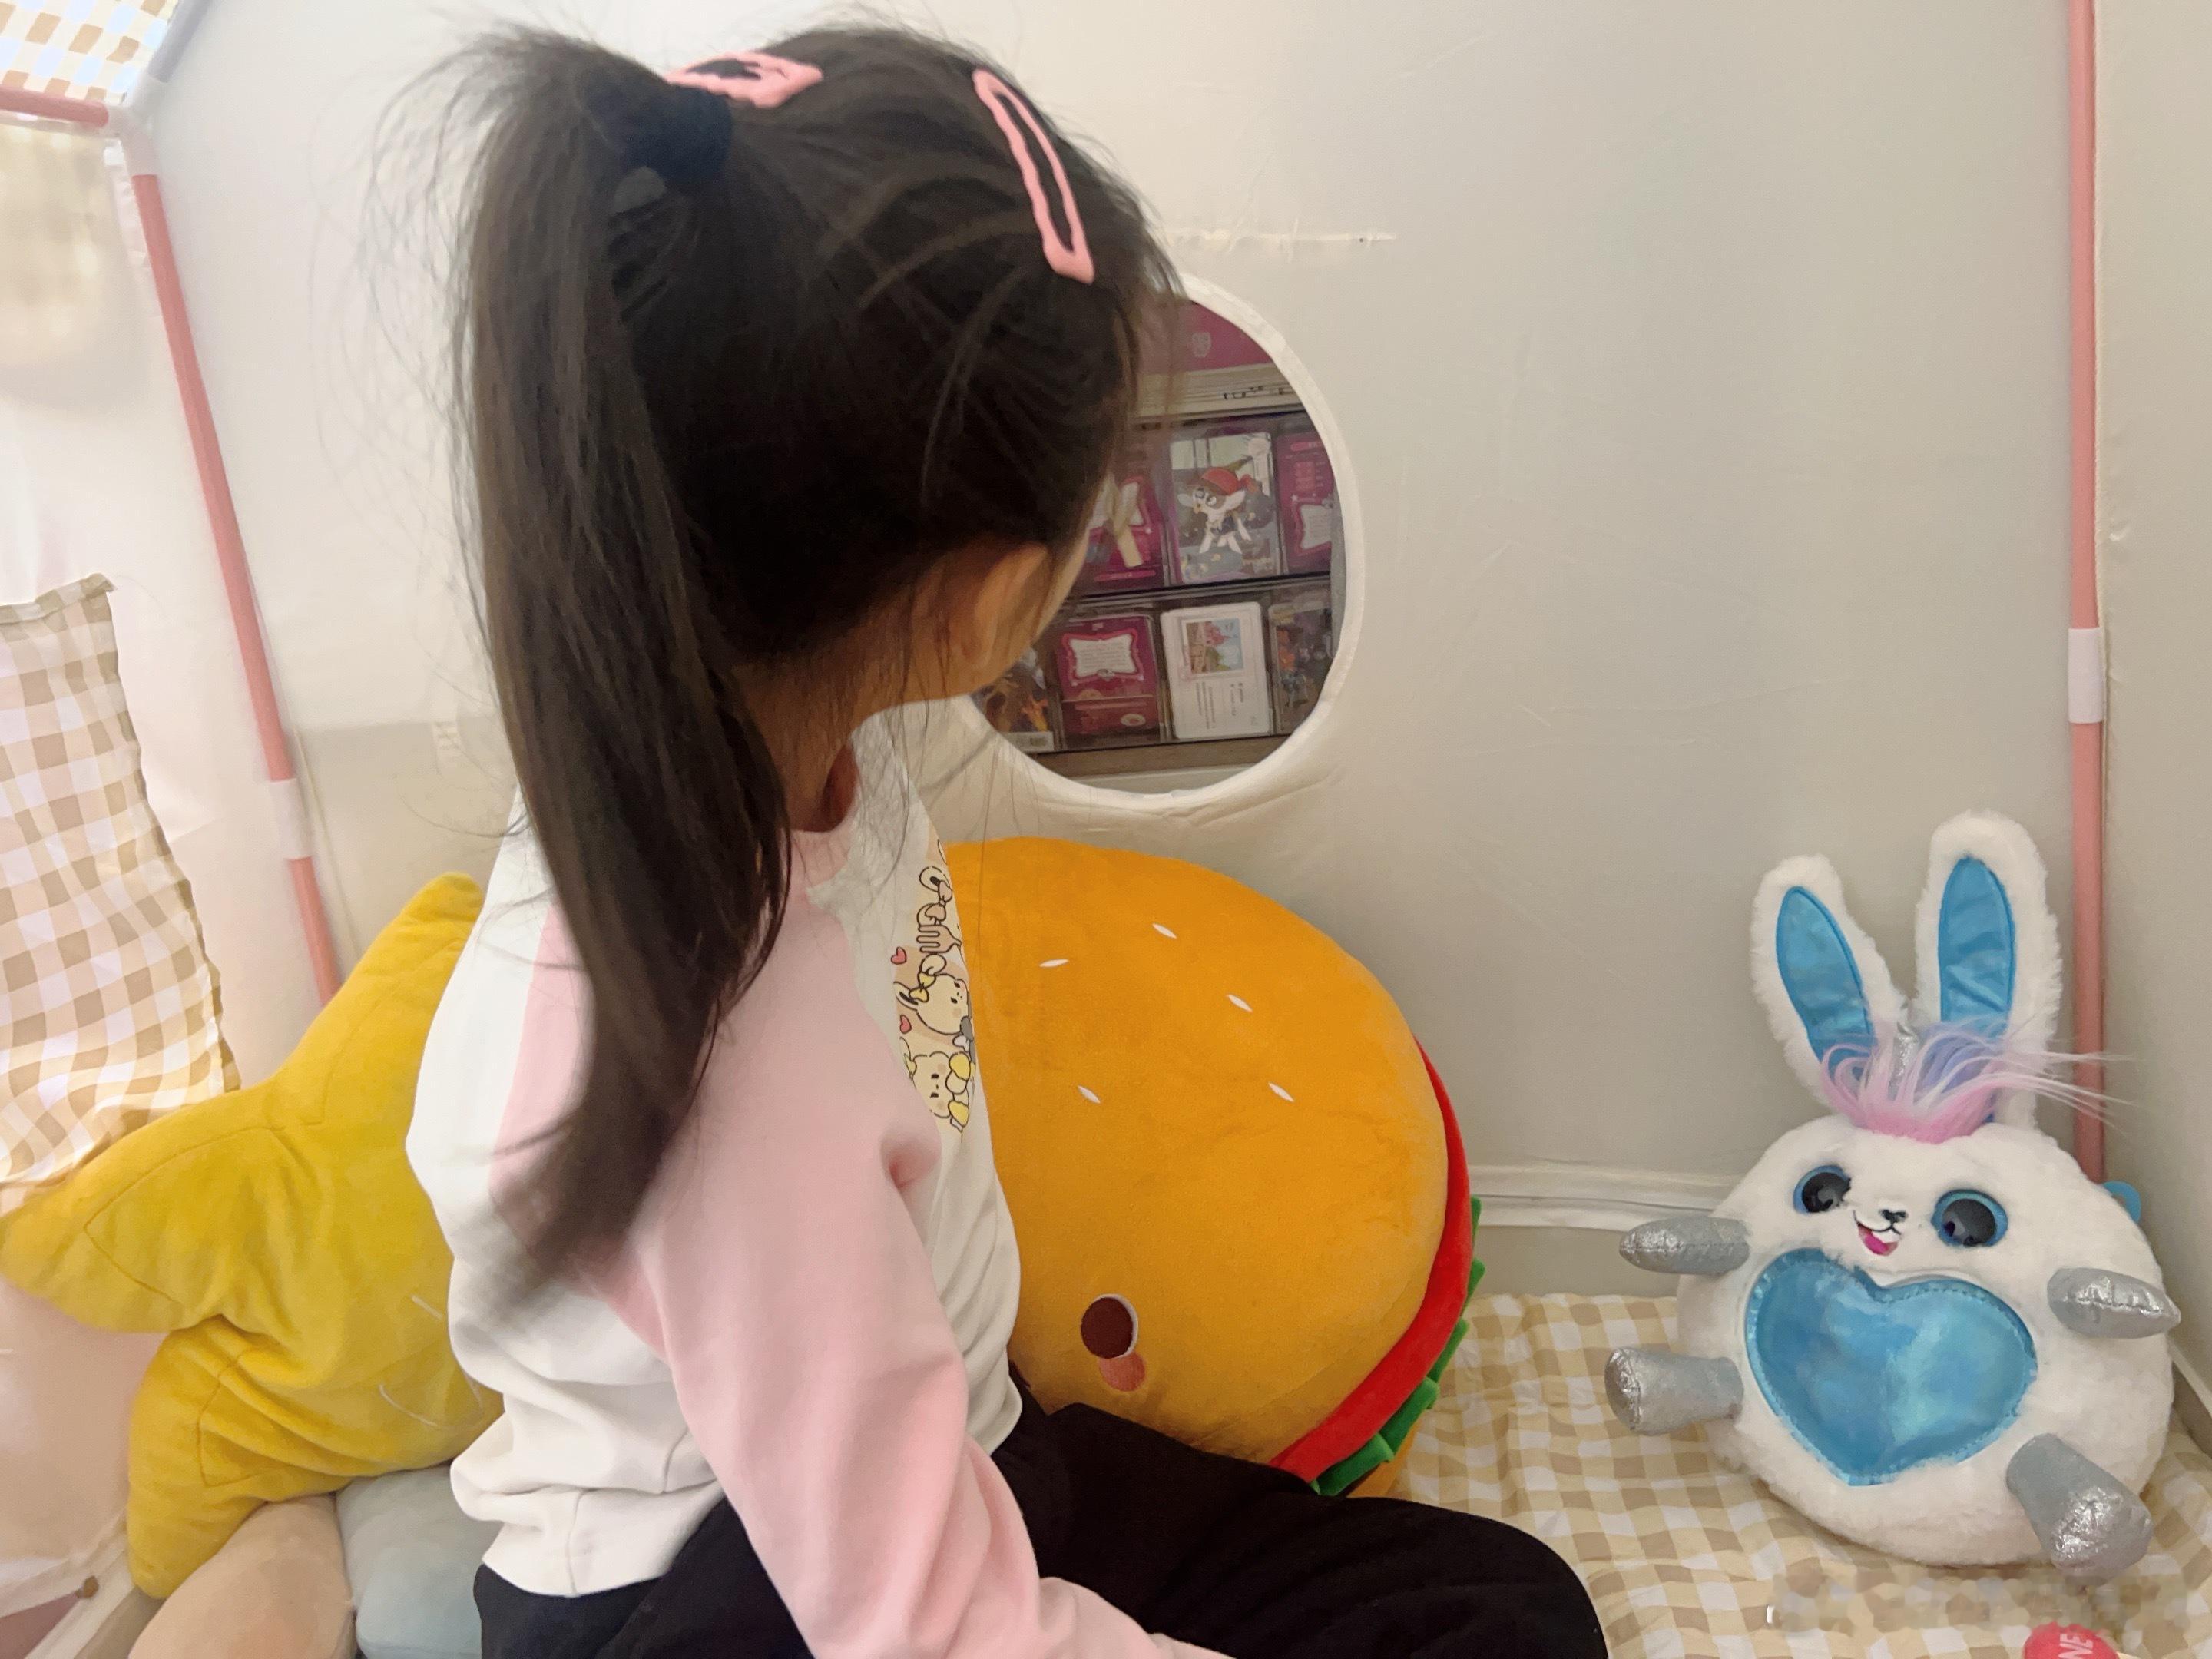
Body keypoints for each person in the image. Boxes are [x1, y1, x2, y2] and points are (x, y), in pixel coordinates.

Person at [406, 25, 1606, 1659]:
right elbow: (923, 1627)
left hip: (948, 1444)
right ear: (977, 595)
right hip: (729, 1595)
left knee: (1505, 1612)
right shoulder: (727, 1072)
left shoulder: (786, 756)